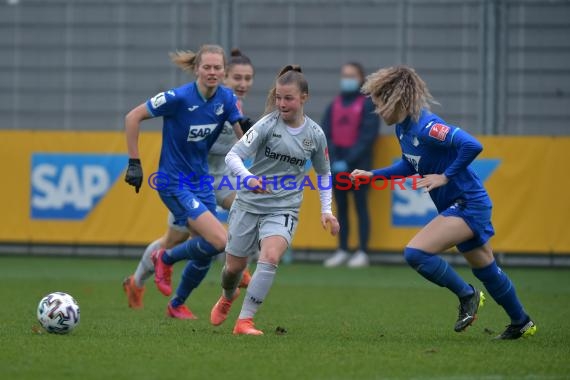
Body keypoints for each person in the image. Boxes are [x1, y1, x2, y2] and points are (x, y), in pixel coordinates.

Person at [351, 65, 536, 340]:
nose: (377, 110)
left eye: (379, 103)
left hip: (467, 203)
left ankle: (468, 294)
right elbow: (409, 164)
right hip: (463, 204)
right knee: (486, 268)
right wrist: (373, 176)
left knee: (416, 252)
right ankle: (521, 322)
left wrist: (445, 177)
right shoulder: (403, 129)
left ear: (395, 100)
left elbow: (472, 145)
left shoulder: (427, 126)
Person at [209, 65, 340, 335]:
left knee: (269, 257)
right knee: (234, 268)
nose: (281, 103)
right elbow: (233, 156)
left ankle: (245, 321)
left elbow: (324, 173)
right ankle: (227, 295)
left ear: (304, 97)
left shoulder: (315, 135)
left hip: (284, 207)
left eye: (288, 98)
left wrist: (326, 210)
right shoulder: (267, 125)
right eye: (278, 97)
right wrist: (247, 179)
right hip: (248, 204)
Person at [122, 49, 255, 310]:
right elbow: (133, 116)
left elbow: (243, 142)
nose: (242, 84)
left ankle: (178, 303)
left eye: (248, 78)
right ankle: (142, 278)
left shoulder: (227, 102)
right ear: (200, 70)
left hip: (208, 181)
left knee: (206, 245)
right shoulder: (184, 98)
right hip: (183, 182)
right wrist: (134, 162)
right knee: (184, 241)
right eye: (237, 77)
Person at [322, 62, 380, 268]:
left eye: (352, 75)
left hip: (359, 166)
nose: (347, 79)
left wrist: (349, 161)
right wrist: (336, 159)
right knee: (342, 208)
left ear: (361, 78)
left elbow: (368, 136)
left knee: (360, 206)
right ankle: (343, 249)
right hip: (337, 166)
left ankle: (363, 251)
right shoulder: (334, 104)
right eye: (344, 75)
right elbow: (325, 134)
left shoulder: (367, 105)